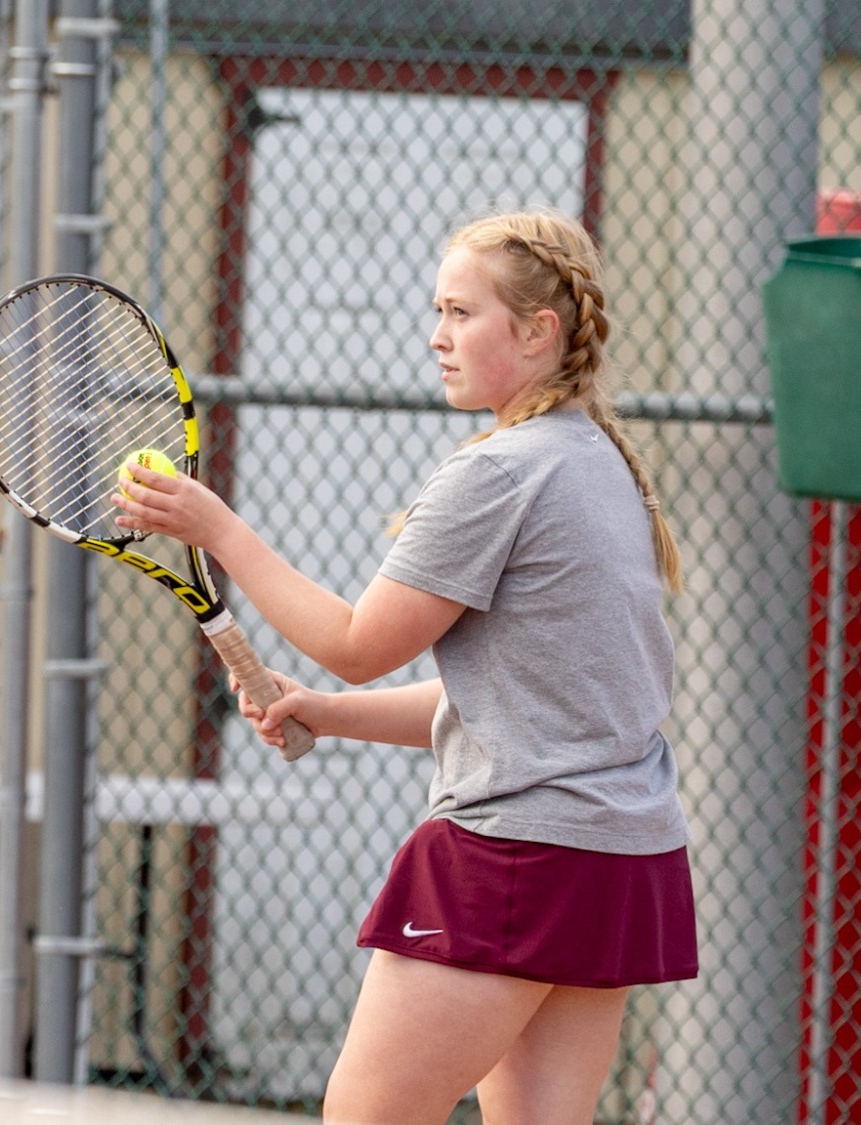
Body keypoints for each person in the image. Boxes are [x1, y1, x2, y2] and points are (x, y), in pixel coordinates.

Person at [114, 207, 697, 1124]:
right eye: (438, 310)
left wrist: (215, 527)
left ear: (540, 333)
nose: (437, 336)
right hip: (621, 860)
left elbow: (358, 642)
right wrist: (328, 712)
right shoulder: (601, 463)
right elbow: (519, 698)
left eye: (463, 313)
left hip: (513, 854)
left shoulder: (499, 472)